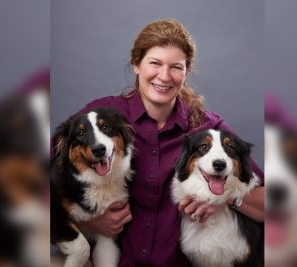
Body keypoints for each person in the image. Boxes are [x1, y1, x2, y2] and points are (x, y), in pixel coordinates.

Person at [77, 18, 264, 266]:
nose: (164, 76)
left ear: (186, 72)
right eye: (154, 63)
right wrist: (86, 221)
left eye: (176, 67)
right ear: (136, 64)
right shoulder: (101, 119)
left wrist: (224, 197)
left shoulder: (208, 129)